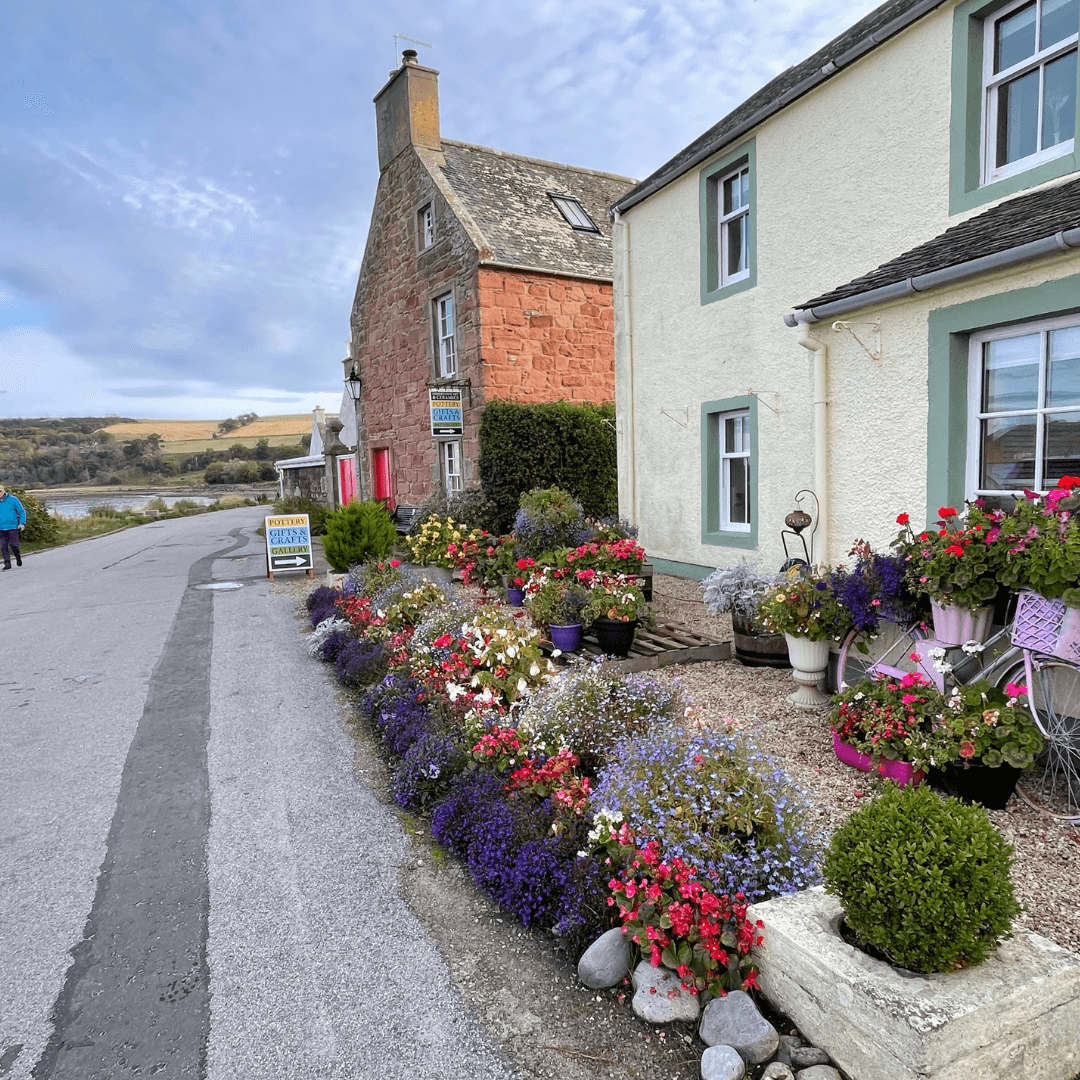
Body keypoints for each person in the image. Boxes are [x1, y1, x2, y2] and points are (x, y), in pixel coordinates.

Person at [0, 484, 27, 571]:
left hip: (12, 526)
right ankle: (7, 563)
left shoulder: (13, 499)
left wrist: (22, 523)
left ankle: (17, 557)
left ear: (3, 491)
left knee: (13, 545)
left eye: (0, 491)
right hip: (1, 528)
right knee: (3, 546)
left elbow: (21, 511)